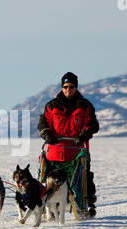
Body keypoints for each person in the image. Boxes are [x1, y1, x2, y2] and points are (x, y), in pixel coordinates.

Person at [37, 72, 99, 216]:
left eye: (71, 87)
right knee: (46, 178)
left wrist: (83, 135)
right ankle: (46, 204)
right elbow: (43, 123)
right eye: (65, 87)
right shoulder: (52, 105)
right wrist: (47, 134)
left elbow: (92, 124)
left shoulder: (84, 105)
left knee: (83, 177)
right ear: (61, 87)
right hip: (55, 152)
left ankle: (87, 202)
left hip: (75, 152)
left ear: (76, 87)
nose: (68, 90)